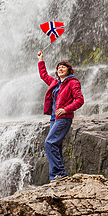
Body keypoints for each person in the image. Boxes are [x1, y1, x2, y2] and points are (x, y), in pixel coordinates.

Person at [37, 50, 84, 182]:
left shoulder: (73, 82)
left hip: (64, 118)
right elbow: (44, 75)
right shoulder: (55, 82)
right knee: (55, 145)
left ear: (69, 70)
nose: (60, 68)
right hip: (54, 118)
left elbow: (79, 100)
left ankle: (60, 173)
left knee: (49, 143)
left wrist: (65, 109)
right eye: (58, 67)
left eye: (63, 67)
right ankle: (55, 177)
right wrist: (41, 59)